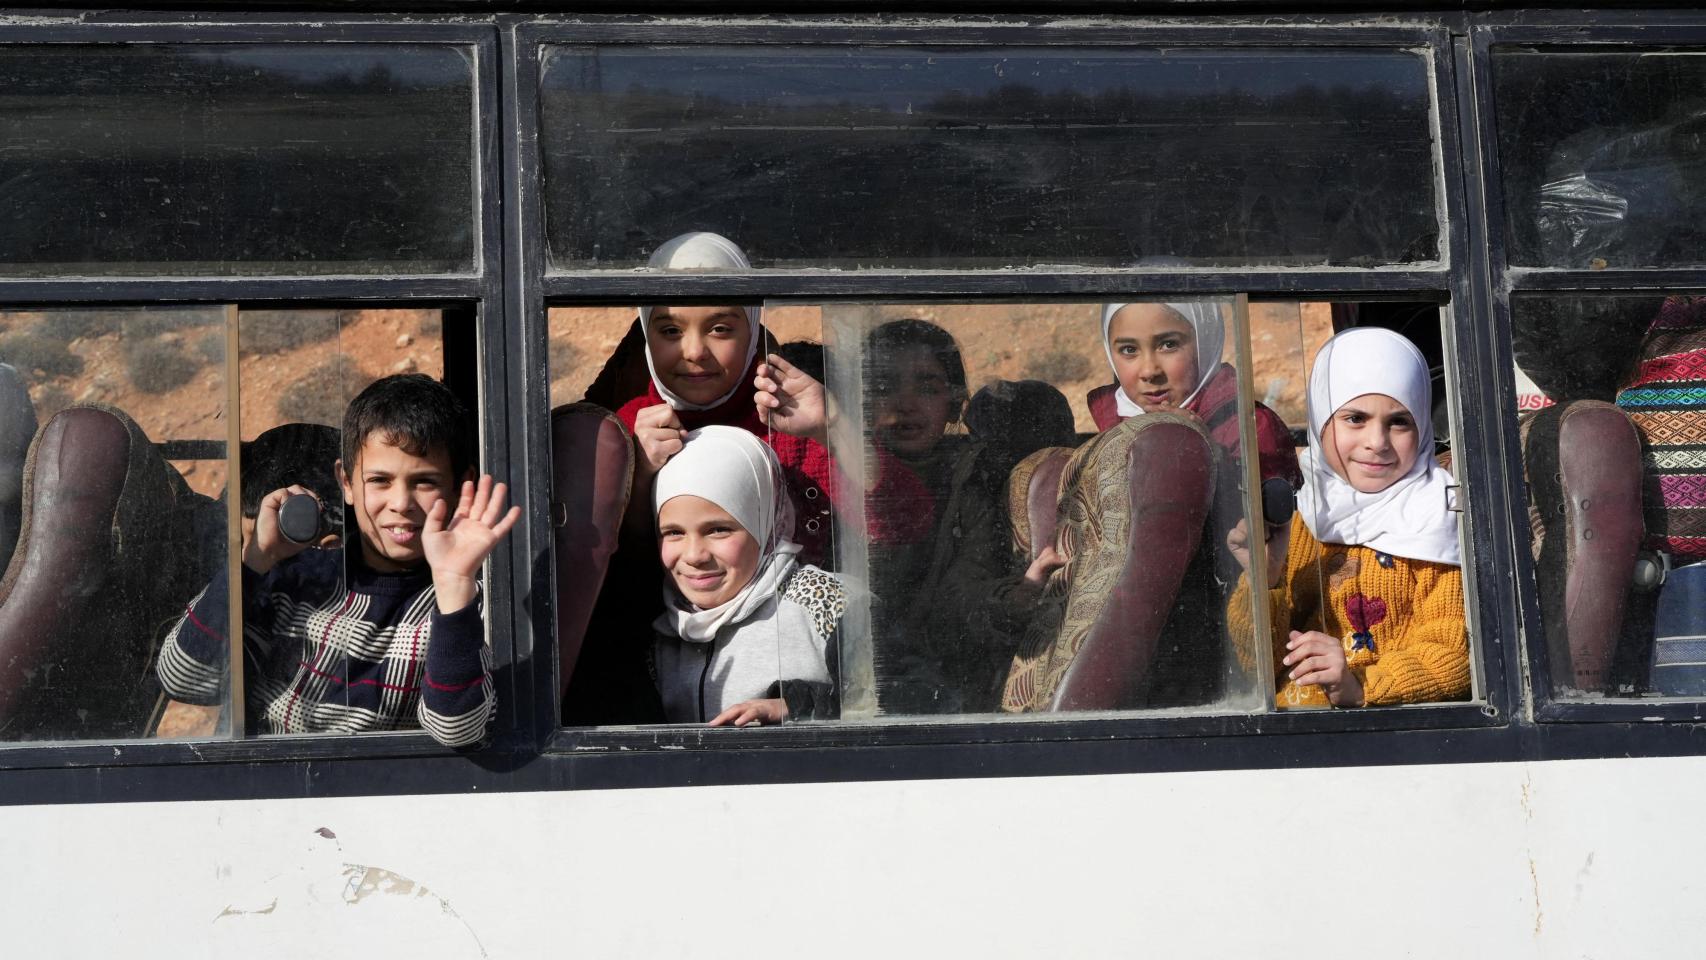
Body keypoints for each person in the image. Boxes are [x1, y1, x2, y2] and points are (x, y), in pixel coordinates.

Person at [156, 374, 520, 747]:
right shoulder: (294, 581)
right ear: (346, 483)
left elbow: (457, 729)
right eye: (379, 480)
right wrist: (253, 565)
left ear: (461, 487)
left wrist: (454, 584)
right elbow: (184, 679)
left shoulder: (459, 609)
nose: (400, 503)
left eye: (424, 481)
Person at [1225, 327, 1467, 708]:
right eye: (1355, 418)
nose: (1377, 442)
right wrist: (1265, 578)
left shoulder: (1439, 514)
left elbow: (1453, 654)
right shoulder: (1295, 512)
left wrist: (1359, 686)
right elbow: (1252, 666)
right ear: (1322, 421)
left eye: (1399, 422)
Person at [858, 320, 1066, 713]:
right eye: (884, 387)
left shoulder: (967, 483)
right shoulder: (837, 472)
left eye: (927, 388)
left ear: (954, 402)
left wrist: (1016, 596)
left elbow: (961, 590)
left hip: (929, 677)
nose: (905, 403)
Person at [651, 425, 845, 725]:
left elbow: (910, 694)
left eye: (718, 529)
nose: (694, 556)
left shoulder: (825, 601)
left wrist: (796, 707)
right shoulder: (662, 636)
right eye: (673, 533)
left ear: (766, 525)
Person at [1088, 300, 1301, 488]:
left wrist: (1205, 450)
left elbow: (1266, 523)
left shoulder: (1250, 427)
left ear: (1204, 342)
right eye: (1129, 349)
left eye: (1168, 344)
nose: (1149, 371)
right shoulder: (1110, 426)